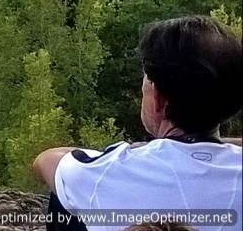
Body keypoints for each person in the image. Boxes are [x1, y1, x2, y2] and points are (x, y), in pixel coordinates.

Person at [33, 15, 242, 231]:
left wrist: (141, 149)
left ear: (158, 100)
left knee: (65, 200)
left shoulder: (111, 172)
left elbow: (45, 160)